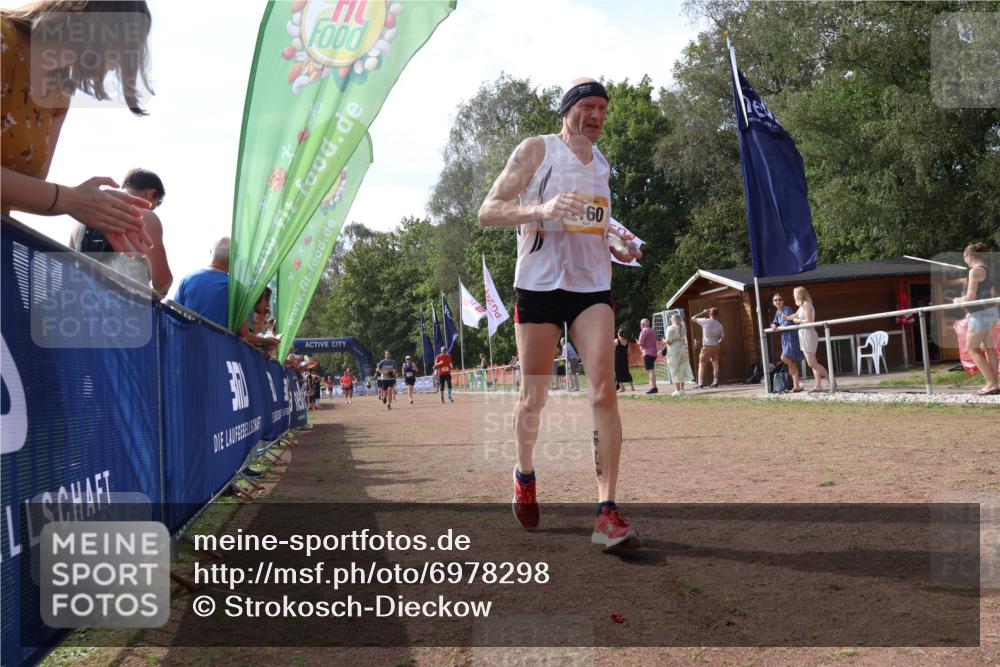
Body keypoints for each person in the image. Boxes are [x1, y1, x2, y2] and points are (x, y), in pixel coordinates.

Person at [478, 76, 643, 549]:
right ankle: (524, 472)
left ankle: (606, 510)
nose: (597, 116)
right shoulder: (535, 149)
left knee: (604, 391)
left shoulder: (602, 165)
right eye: (589, 106)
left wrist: (618, 245)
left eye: (603, 110)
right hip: (539, 286)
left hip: (591, 286)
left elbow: (594, 224)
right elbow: (488, 210)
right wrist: (542, 208)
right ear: (568, 109)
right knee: (534, 398)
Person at [1, 2, 155, 255]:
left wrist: (98, 208)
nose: (118, 63)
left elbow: (24, 193)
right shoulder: (4, 40)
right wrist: (68, 198)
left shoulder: (58, 92)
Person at [70, 168, 172, 296]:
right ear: (150, 194)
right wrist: (163, 290)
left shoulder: (80, 222)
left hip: (82, 305)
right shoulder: (146, 216)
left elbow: (69, 268)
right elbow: (162, 282)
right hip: (127, 309)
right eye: (154, 205)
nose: (152, 209)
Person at [173, 237, 277, 353]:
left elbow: (173, 318)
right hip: (220, 357)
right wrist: (267, 341)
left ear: (211, 253)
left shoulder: (186, 280)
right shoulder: (236, 288)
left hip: (187, 352)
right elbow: (244, 334)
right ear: (233, 260)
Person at [954, 242, 999, 395]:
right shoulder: (987, 269)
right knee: (989, 349)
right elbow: (991, 293)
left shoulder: (974, 271)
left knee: (971, 349)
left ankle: (991, 383)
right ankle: (994, 384)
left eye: (965, 258)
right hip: (991, 311)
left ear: (970, 256)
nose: (965, 261)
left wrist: (957, 300)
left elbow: (971, 296)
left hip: (981, 314)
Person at [784, 287, 829, 392]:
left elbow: (808, 321)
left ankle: (830, 380)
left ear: (799, 295)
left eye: (794, 294)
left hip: (809, 334)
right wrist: (787, 318)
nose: (793, 296)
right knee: (814, 361)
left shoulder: (807, 304)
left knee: (811, 363)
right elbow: (795, 315)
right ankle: (818, 386)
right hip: (803, 334)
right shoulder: (801, 306)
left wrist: (798, 321)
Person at [771, 292, 804, 392]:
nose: (777, 301)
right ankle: (796, 385)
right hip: (784, 338)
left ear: (783, 301)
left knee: (784, 357)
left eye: (779, 299)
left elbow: (786, 323)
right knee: (791, 363)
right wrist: (773, 325)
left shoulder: (787, 309)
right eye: (775, 300)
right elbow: (775, 322)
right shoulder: (777, 313)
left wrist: (778, 328)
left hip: (791, 337)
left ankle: (796, 384)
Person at [662, 314, 694, 396]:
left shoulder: (670, 328)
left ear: (673, 320)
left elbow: (668, 341)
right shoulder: (683, 327)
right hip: (682, 350)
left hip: (673, 351)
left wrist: (664, 340)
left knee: (674, 369)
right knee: (682, 368)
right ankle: (682, 390)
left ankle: (677, 390)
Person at [691, 307, 724, 388]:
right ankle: (715, 382)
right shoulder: (720, 325)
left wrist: (702, 312)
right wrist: (717, 342)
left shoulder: (705, 321)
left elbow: (693, 318)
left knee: (701, 364)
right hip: (716, 345)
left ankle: (700, 383)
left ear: (709, 313)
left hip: (706, 346)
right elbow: (722, 337)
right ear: (717, 314)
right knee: (715, 364)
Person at [637, 319, 658, 394]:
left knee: (650, 370)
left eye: (641, 324)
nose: (640, 325)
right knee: (651, 369)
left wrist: (637, 342)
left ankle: (653, 387)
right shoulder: (652, 330)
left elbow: (641, 342)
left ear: (643, 324)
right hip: (654, 352)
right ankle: (654, 386)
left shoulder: (644, 331)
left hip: (647, 352)